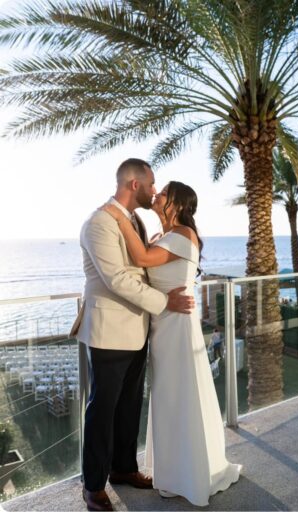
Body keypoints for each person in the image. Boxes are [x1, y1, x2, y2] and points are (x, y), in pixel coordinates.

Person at [101, 180, 242, 506]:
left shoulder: (183, 234)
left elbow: (142, 259)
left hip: (178, 325)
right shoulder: (159, 238)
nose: (157, 194)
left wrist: (118, 214)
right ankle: (175, 469)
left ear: (177, 203)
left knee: (180, 394)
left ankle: (189, 472)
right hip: (161, 325)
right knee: (166, 396)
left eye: (164, 192)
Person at [73, 158, 194, 512]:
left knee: (129, 406)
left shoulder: (135, 220)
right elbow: (117, 280)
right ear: (134, 184)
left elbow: (143, 265)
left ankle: (124, 468)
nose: (155, 190)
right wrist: (165, 302)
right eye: (152, 183)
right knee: (102, 411)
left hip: (139, 328)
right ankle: (93, 486)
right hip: (109, 332)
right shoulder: (99, 222)